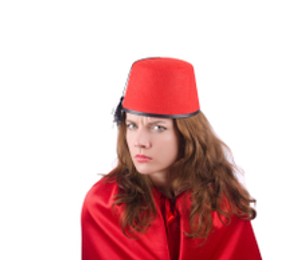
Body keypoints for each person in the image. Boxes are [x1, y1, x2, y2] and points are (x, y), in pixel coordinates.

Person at [81, 57, 261, 260]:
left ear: (187, 136)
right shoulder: (103, 205)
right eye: (132, 125)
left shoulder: (222, 205)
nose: (140, 141)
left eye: (158, 127)